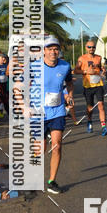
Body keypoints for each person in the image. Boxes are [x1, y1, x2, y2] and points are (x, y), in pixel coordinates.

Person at [42, 36, 74, 194]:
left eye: (56, 49)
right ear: (44, 51)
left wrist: (69, 96)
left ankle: (52, 181)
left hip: (57, 111)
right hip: (38, 112)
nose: (53, 52)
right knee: (40, 149)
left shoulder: (65, 66)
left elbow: (69, 83)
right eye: (50, 49)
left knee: (57, 145)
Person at [75, 40, 107, 135]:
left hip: (98, 85)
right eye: (89, 47)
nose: (91, 49)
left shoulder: (98, 57)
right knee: (90, 107)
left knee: (101, 105)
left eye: (93, 47)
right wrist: (85, 71)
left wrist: (103, 71)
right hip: (88, 86)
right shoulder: (82, 58)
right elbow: (75, 71)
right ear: (86, 48)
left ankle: (104, 127)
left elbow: (100, 68)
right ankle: (89, 121)